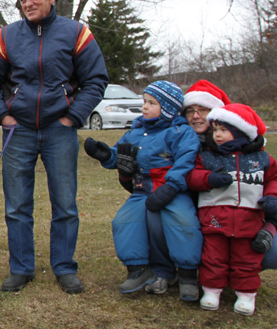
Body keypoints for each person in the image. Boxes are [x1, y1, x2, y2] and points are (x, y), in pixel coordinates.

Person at [0, 0, 108, 294]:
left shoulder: (77, 33)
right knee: (16, 205)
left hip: (59, 129)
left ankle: (64, 267)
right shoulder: (6, 36)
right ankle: (21, 268)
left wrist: (73, 117)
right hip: (17, 131)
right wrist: (3, 116)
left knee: (65, 204)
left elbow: (96, 79)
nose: (28, 3)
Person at [84, 81, 202, 301]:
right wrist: (106, 155)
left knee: (182, 222)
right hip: (142, 189)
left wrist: (172, 186)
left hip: (170, 189)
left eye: (151, 103)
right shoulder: (136, 131)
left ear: (167, 108)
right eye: (144, 102)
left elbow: (185, 162)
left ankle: (187, 276)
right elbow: (121, 154)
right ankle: (138, 269)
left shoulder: (180, 132)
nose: (144, 107)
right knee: (124, 221)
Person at [187, 104, 277, 315]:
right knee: (213, 257)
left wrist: (272, 197)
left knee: (246, 259)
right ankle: (211, 291)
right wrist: (209, 179)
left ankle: (246, 294)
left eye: (223, 130)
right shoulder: (208, 156)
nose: (217, 135)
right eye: (215, 130)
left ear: (240, 132)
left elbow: (273, 179)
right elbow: (192, 177)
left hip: (249, 219)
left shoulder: (262, 159)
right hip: (214, 219)